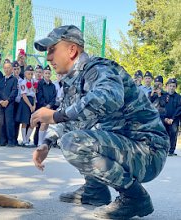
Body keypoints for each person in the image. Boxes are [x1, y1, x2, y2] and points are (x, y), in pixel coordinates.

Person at [31, 25, 170, 219]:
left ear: (72, 50)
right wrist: (46, 143)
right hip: (128, 147)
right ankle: (94, 191)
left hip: (148, 151)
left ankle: (135, 197)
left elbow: (108, 97)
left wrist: (55, 115)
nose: (48, 57)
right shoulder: (74, 80)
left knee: (73, 142)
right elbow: (74, 121)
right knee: (75, 134)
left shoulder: (98, 69)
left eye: (52, 49)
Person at [0, 60, 18, 147]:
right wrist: (0, 101)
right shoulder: (1, 80)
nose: (7, 70)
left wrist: (8, 101)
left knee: (9, 122)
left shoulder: (14, 80)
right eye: (5, 68)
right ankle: (2, 141)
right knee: (1, 123)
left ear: (12, 69)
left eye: (8, 68)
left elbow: (14, 91)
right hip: (0, 104)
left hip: (9, 103)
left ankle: (11, 141)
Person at [35, 65, 57, 147]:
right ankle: (39, 142)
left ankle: (43, 141)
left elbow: (54, 97)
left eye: (49, 73)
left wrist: (50, 105)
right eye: (46, 73)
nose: (47, 75)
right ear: (43, 74)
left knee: (47, 124)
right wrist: (45, 106)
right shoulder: (40, 84)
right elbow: (39, 96)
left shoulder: (52, 85)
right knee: (43, 123)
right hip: (42, 107)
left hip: (50, 107)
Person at [15, 65, 36, 147]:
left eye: (31, 74)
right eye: (28, 74)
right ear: (25, 74)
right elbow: (24, 95)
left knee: (32, 121)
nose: (30, 75)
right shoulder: (23, 83)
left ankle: (27, 138)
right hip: (25, 102)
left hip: (32, 101)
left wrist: (34, 105)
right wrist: (30, 106)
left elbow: (34, 95)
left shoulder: (34, 82)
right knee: (24, 121)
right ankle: (24, 140)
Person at [162, 78, 181, 156]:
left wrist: (172, 119)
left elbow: (179, 108)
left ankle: (171, 150)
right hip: (164, 118)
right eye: (170, 86)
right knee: (163, 133)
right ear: (167, 86)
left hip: (174, 119)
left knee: (173, 133)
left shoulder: (178, 97)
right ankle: (164, 150)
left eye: (173, 86)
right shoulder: (163, 96)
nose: (171, 88)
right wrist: (165, 118)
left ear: (175, 87)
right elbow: (160, 107)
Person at [12, 60, 24, 145]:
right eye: (15, 69)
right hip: (11, 103)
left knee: (17, 121)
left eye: (18, 69)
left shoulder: (22, 81)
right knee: (10, 121)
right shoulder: (10, 79)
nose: (16, 71)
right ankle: (10, 139)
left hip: (18, 103)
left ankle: (15, 139)